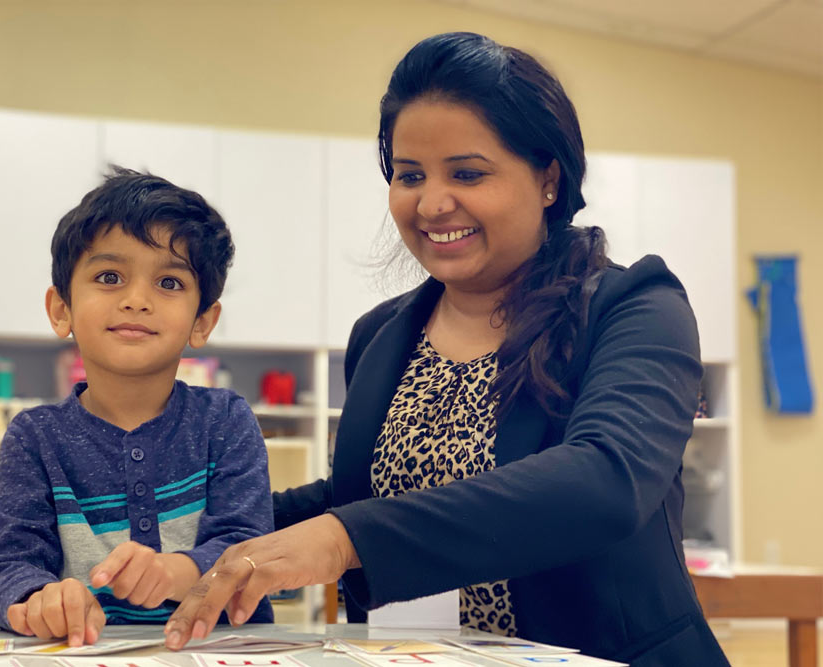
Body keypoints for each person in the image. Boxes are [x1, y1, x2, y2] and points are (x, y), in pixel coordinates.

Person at [163, 32, 731, 666]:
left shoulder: (635, 306)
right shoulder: (379, 336)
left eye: (467, 173)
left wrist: (348, 539)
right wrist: (187, 525)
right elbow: (366, 496)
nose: (431, 203)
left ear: (548, 178)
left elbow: (605, 479)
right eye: (410, 176)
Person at [0, 168, 274, 647]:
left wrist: (176, 571)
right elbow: (8, 567)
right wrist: (42, 597)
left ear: (203, 321)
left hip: (220, 651)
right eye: (109, 277)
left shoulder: (225, 421)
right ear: (61, 309)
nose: (137, 300)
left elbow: (248, 547)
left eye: (170, 283)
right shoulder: (34, 438)